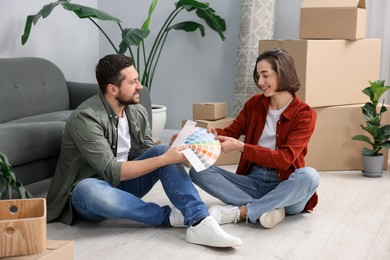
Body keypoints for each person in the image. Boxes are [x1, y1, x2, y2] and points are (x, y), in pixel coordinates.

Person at [45, 54, 242, 248]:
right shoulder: (86, 118)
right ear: (113, 89)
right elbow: (112, 171)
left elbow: (151, 153)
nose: (140, 86)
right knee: (88, 189)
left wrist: (171, 149)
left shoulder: (136, 111)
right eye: (133, 82)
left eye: (137, 79)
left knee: (162, 151)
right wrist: (163, 158)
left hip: (125, 185)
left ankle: (199, 220)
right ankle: (169, 217)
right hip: (90, 195)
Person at [189, 48, 320, 229]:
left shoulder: (305, 114)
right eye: (258, 76)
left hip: (286, 183)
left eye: (265, 75)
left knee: (310, 176)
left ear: (282, 73)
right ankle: (270, 208)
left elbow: (285, 159)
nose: (260, 82)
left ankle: (245, 211)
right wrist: (199, 135)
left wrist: (242, 147)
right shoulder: (254, 104)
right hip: (253, 181)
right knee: (197, 170)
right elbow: (232, 132)